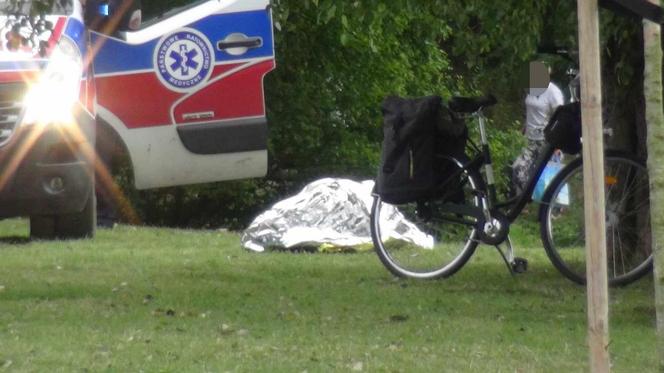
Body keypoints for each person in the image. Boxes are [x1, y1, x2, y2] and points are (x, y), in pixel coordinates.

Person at [511, 61, 565, 196]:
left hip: (546, 140)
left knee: (551, 175)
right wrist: (524, 127)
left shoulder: (553, 92)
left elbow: (560, 116)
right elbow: (530, 111)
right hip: (530, 139)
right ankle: (522, 202)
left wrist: (558, 141)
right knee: (519, 169)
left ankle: (555, 208)